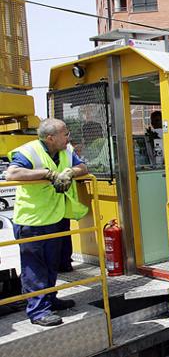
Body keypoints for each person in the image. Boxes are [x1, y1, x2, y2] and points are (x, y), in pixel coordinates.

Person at [6, 118, 89, 327]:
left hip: (56, 217)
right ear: (50, 138)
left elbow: (83, 167)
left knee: (52, 264)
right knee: (35, 267)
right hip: (32, 220)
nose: (68, 137)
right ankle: (38, 311)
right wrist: (48, 174)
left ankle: (50, 299)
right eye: (65, 133)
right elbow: (12, 173)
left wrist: (70, 171)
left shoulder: (65, 151)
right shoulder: (29, 151)